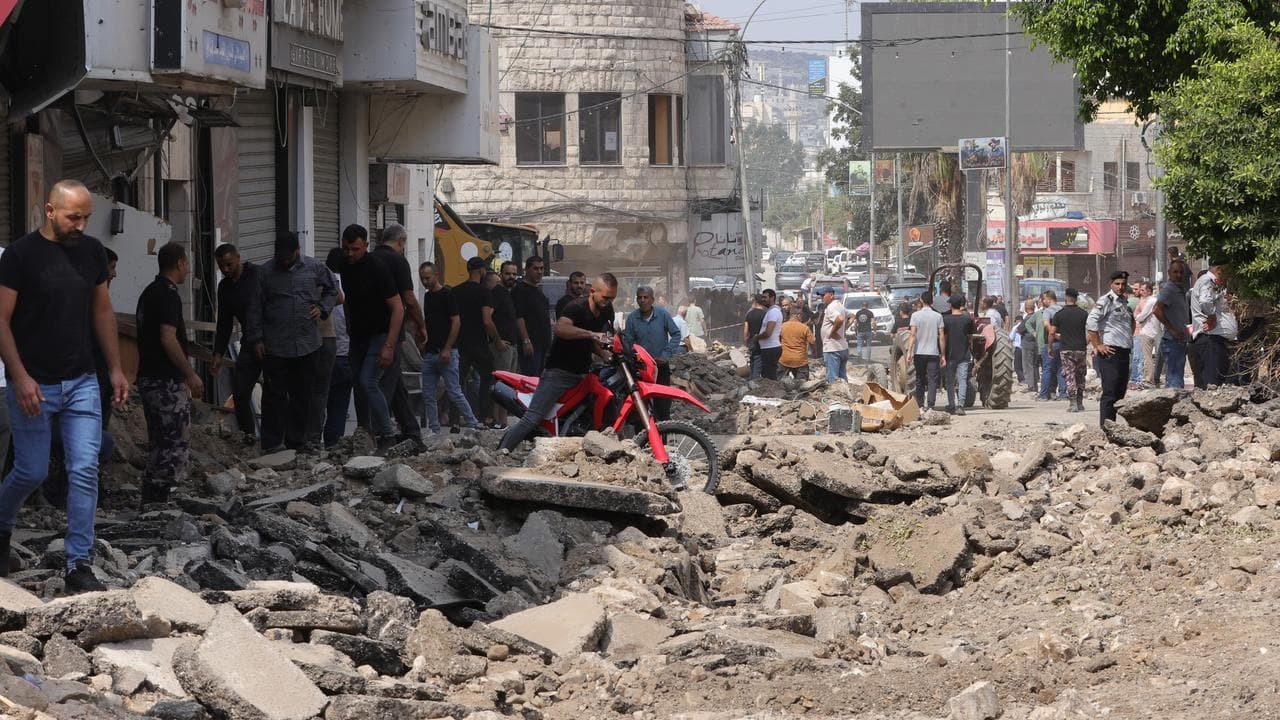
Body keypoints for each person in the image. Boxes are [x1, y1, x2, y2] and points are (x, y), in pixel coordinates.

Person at [0, 179, 128, 593]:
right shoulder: (20, 256)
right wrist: (19, 376)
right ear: (50, 211)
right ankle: (2, 527)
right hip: (33, 385)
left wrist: (116, 368)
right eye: (74, 217)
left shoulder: (91, 252)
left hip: (81, 382)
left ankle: (78, 566)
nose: (81, 225)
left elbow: (102, 312)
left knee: (85, 468)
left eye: (87, 217)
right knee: (31, 470)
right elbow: (1, 320)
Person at [499, 273, 618, 452]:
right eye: (606, 297)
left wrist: (604, 353)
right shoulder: (576, 307)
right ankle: (502, 452)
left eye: (612, 298)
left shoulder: (607, 311)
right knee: (532, 418)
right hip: (559, 372)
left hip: (583, 373)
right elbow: (561, 329)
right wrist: (591, 334)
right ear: (593, 291)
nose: (608, 302)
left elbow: (597, 340)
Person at [246, 230, 337, 453]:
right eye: (281, 257)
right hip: (276, 345)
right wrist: (256, 339)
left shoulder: (314, 267)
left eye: (288, 257)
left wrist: (322, 308)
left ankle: (297, 442)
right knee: (274, 396)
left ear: (298, 251)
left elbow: (333, 288)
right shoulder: (265, 272)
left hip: (307, 344)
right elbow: (255, 307)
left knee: (302, 395)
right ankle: (271, 444)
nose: (284, 262)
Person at [136, 242, 201, 505]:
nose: (187, 268)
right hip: (165, 382)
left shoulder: (149, 292)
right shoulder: (167, 295)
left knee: (159, 442)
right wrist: (190, 374)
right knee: (175, 442)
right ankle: (159, 501)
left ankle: (151, 501)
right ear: (180, 263)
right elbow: (168, 338)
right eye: (186, 263)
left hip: (149, 378)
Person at [333, 224, 403, 455]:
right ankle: (366, 434)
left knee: (368, 382)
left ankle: (387, 435)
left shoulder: (377, 268)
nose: (350, 253)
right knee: (359, 385)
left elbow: (398, 308)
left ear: (366, 246)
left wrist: (389, 345)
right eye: (346, 249)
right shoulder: (344, 265)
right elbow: (348, 300)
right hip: (358, 336)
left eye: (355, 249)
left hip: (380, 334)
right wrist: (349, 327)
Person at [372, 224, 425, 448]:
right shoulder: (398, 261)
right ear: (401, 241)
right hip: (391, 331)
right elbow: (409, 299)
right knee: (386, 382)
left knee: (394, 383)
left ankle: (411, 431)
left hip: (369, 330)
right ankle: (381, 432)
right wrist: (421, 325)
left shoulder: (370, 259)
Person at [419, 261, 480, 433]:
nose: (424, 282)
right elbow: (430, 321)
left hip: (447, 352)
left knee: (454, 391)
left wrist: (447, 348)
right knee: (428, 394)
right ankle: (434, 429)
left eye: (427, 278)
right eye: (422, 278)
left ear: (436, 275)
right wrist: (425, 339)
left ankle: (472, 422)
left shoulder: (447, 295)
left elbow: (456, 322)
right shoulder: (428, 296)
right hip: (431, 352)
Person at [211, 244, 263, 443]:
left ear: (238, 258)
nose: (225, 270)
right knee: (240, 391)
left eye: (229, 264)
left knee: (275, 392)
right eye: (221, 266)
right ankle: (248, 437)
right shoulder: (224, 288)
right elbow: (224, 323)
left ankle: (277, 440)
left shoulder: (258, 275)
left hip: (271, 340)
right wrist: (218, 353)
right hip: (249, 342)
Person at [454, 256, 503, 427]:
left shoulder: (456, 291)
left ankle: (455, 419)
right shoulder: (484, 292)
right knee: (488, 378)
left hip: (460, 343)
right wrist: (497, 340)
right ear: (481, 270)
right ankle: (485, 417)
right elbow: (487, 321)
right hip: (479, 343)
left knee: (458, 381)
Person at [622, 286, 681, 420]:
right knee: (641, 405)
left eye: (646, 297)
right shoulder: (632, 318)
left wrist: (665, 355)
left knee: (663, 404)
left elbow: (676, 334)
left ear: (652, 300)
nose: (642, 300)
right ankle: (643, 432)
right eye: (639, 298)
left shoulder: (662, 314)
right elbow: (628, 343)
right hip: (641, 370)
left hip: (660, 368)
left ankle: (664, 430)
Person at [1087, 271, 1135, 428]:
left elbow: (1130, 323)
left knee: (1120, 393)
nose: (1120, 287)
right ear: (1111, 284)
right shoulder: (1106, 300)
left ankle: (1114, 427)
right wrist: (1098, 345)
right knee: (1110, 393)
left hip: (1124, 351)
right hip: (1110, 352)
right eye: (1117, 284)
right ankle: (1106, 428)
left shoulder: (1124, 302)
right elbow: (1091, 322)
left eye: (1123, 284)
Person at [1189, 259, 1237, 388]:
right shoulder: (1207, 281)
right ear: (1219, 269)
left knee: (1218, 383)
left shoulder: (1215, 283)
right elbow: (1205, 301)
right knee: (1212, 384)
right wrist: (1211, 316)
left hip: (1218, 340)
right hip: (1211, 340)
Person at [323, 248, 352, 448]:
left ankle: (312, 441)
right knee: (339, 405)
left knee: (317, 400)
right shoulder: (350, 285)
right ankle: (333, 444)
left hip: (321, 353)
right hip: (344, 354)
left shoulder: (319, 285)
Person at [1153, 259, 1191, 388]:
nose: (1179, 275)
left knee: (1177, 380)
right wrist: (1172, 329)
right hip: (1172, 341)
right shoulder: (1169, 289)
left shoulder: (1180, 290)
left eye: (1181, 272)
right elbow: (1156, 309)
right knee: (1175, 383)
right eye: (1175, 272)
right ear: (1169, 273)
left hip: (1180, 341)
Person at [1051, 288, 1089, 413]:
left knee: (1069, 375)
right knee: (1080, 375)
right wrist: (1086, 342)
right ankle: (1080, 402)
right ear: (1076, 298)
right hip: (1081, 349)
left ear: (1066, 298)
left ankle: (1073, 404)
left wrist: (1050, 346)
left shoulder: (1059, 314)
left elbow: (1052, 332)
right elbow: (1091, 331)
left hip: (1066, 350)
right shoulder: (1084, 314)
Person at [512, 255, 551, 376]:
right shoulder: (520, 290)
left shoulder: (538, 291)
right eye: (535, 268)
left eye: (541, 268)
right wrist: (526, 341)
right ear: (527, 270)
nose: (539, 272)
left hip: (543, 344)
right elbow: (519, 317)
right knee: (530, 379)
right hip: (531, 345)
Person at [908, 292, 944, 410]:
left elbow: (913, 335)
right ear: (932, 302)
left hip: (919, 352)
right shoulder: (938, 316)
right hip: (933, 352)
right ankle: (931, 405)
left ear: (921, 301)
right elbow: (941, 337)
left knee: (920, 379)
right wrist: (943, 355)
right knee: (932, 380)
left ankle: (920, 405)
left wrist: (909, 352)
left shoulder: (915, 316)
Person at [940, 295, 975, 415]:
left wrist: (943, 354)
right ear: (961, 305)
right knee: (962, 380)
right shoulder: (967, 319)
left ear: (950, 305)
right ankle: (961, 405)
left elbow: (944, 338)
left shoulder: (946, 320)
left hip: (950, 355)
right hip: (964, 354)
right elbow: (970, 336)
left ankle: (951, 405)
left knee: (950, 381)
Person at [1037, 291, 1067, 401]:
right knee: (1060, 369)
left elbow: (1046, 324)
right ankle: (1063, 394)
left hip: (1050, 343)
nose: (1042, 301)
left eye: (1044, 299)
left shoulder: (1047, 311)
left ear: (1049, 299)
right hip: (1062, 343)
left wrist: (1054, 334)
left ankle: (1044, 395)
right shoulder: (1062, 310)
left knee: (1047, 369)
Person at [1134, 281, 1162, 387]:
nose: (1140, 292)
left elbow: (1142, 316)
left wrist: (1137, 316)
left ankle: (1149, 379)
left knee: (1147, 357)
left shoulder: (1150, 301)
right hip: (1157, 331)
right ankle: (1156, 378)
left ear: (1149, 291)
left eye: (1143, 290)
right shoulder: (1157, 300)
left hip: (1147, 331)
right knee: (1159, 357)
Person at [819, 287, 849, 382]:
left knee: (833, 380)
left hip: (832, 349)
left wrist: (833, 332)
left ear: (831, 295)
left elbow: (840, 319)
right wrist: (844, 329)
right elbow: (852, 316)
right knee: (842, 379)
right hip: (842, 348)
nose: (821, 297)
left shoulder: (831, 307)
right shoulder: (839, 305)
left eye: (823, 295)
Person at [778, 307, 815, 381]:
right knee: (802, 385)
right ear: (798, 315)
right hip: (800, 361)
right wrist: (814, 351)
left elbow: (777, 340)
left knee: (779, 383)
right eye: (801, 315)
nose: (802, 317)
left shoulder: (782, 326)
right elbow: (812, 341)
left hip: (784, 360)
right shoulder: (804, 328)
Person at [755, 289, 784, 380]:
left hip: (770, 349)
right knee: (768, 375)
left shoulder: (773, 312)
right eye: (762, 297)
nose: (763, 299)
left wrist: (757, 337)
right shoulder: (771, 311)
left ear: (772, 298)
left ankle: (774, 389)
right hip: (769, 348)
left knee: (769, 377)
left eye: (765, 297)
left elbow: (768, 333)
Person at [1019, 298, 1040, 394]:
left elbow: (1020, 329)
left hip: (1027, 343)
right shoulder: (1036, 316)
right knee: (1034, 365)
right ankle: (1034, 384)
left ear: (1026, 307)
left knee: (1027, 365)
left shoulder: (1027, 318)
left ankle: (1030, 385)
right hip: (1035, 343)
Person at [742, 295, 765, 380]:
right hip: (762, 341)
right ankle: (755, 381)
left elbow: (745, 331)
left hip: (751, 341)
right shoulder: (765, 314)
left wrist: (745, 343)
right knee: (758, 363)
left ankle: (751, 379)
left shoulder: (749, 314)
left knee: (752, 361)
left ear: (755, 301)